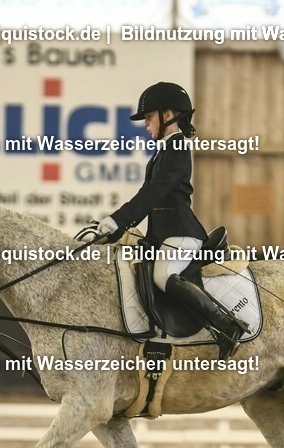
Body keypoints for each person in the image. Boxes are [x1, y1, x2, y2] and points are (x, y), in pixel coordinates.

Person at [96, 82, 249, 359]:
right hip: (164, 234)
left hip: (181, 233)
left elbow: (152, 194)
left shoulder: (177, 147)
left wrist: (118, 220)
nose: (145, 124)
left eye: (149, 117)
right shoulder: (164, 150)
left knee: (164, 275)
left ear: (168, 115)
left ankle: (227, 325)